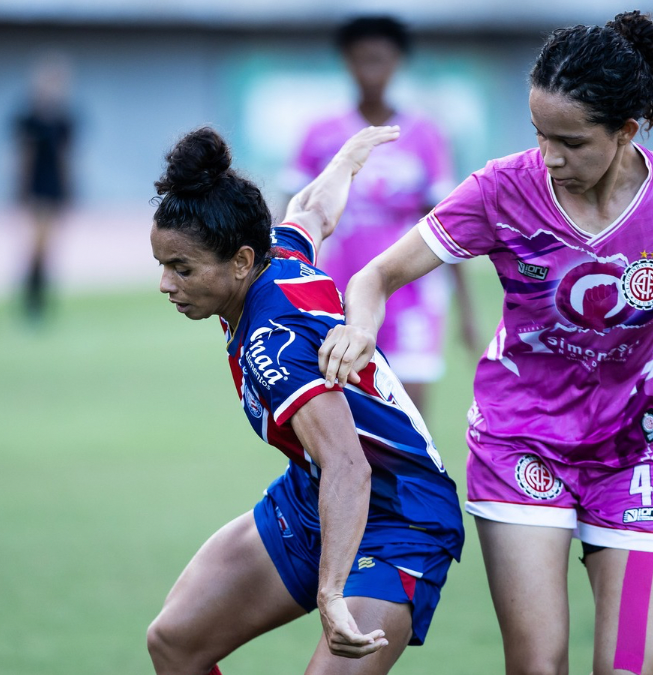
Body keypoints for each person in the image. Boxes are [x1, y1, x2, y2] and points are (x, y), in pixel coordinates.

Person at [318, 11, 653, 675]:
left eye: (570, 141)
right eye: (540, 134)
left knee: (627, 667)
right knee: (539, 667)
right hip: (520, 441)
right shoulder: (501, 190)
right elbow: (377, 275)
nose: (549, 157)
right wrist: (361, 324)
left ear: (626, 131)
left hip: (639, 451)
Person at [146, 125, 464, 675]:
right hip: (316, 496)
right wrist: (344, 162)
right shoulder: (281, 257)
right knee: (175, 643)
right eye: (163, 265)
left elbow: (348, 463)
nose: (166, 284)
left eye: (182, 268)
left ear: (241, 262)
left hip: (400, 517)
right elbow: (312, 211)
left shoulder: (273, 343)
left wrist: (331, 591)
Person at [283, 15, 480, 414]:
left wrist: (467, 310)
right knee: (347, 412)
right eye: (361, 59)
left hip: (410, 295)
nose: (370, 70)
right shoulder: (319, 133)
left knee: (410, 414)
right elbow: (291, 217)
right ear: (346, 62)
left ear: (397, 62)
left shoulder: (426, 134)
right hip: (337, 292)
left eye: (380, 59)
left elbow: (446, 226)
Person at [14, 55, 74, 322]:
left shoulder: (63, 120)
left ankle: (40, 299)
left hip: (54, 188)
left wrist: (68, 187)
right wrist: (21, 189)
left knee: (49, 246)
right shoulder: (29, 119)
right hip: (37, 188)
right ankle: (32, 299)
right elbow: (23, 157)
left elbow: (66, 157)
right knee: (38, 244)